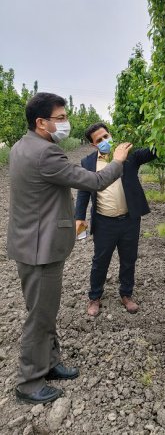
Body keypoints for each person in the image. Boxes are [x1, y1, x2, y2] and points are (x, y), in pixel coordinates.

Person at [7, 93, 132, 405]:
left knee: (45, 312)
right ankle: (29, 383)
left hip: (32, 242)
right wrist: (117, 160)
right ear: (41, 122)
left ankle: (49, 364)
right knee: (40, 315)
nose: (65, 122)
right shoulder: (46, 154)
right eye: (60, 117)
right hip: (41, 248)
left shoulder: (22, 146)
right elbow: (92, 181)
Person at [75, 122, 156, 317]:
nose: (105, 141)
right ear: (94, 145)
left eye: (106, 136)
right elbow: (84, 192)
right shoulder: (88, 163)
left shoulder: (128, 155)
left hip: (129, 221)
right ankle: (95, 297)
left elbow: (153, 152)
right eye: (99, 140)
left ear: (111, 134)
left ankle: (126, 295)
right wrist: (79, 217)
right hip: (104, 222)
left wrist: (161, 133)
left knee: (129, 259)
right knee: (100, 261)